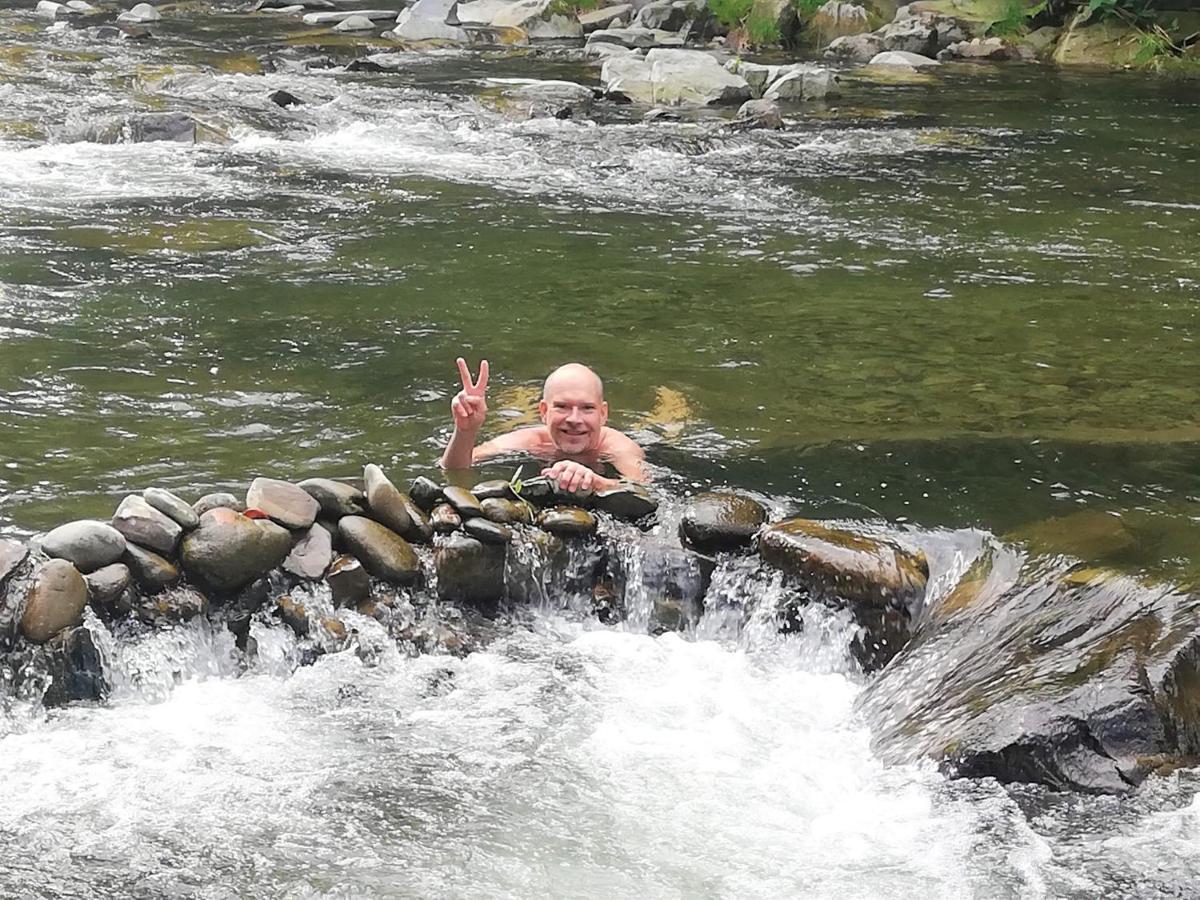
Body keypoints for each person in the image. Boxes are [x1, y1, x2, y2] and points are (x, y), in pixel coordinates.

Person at [439, 357, 646, 493]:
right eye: (562, 406)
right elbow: (454, 470)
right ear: (544, 412)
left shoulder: (619, 448)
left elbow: (642, 490)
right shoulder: (531, 441)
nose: (574, 419)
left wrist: (597, 483)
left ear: (603, 414)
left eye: (587, 408)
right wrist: (465, 431)